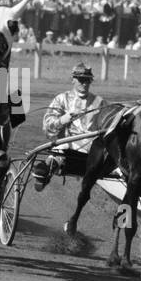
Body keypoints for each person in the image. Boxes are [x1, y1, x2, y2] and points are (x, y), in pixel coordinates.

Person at [32, 62, 105, 191]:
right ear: (73, 80)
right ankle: (48, 167)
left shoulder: (99, 102)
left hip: (91, 153)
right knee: (60, 152)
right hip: (67, 149)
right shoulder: (62, 99)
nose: (85, 83)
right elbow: (47, 128)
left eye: (88, 80)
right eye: (81, 80)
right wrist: (62, 120)